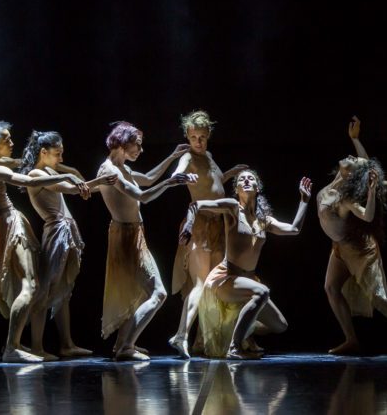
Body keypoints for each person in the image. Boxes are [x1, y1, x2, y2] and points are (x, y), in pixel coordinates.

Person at [0, 121, 85, 363]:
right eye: (7, 140)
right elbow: (28, 180)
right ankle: (12, 347)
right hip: (9, 224)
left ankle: (21, 345)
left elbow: (25, 162)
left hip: (8, 222)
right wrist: (67, 176)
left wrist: (69, 169)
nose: (12, 143)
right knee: (31, 285)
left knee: (32, 284)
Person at [318, 117, 387, 355]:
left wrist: (369, 192)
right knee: (331, 288)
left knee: (381, 298)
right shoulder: (333, 186)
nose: (350, 157)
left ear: (352, 174)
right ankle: (351, 339)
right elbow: (365, 164)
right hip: (339, 247)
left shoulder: (345, 198)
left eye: (353, 160)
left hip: (359, 249)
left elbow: (367, 217)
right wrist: (355, 139)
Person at [182, 171, 311, 359]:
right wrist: (189, 224)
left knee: (280, 325)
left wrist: (304, 201)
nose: (246, 180)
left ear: (257, 188)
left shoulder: (264, 220)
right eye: (242, 179)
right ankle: (234, 348)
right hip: (226, 279)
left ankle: (241, 328)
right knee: (263, 292)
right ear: (237, 189)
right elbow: (197, 205)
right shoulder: (233, 208)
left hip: (248, 281)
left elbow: (294, 229)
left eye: (251, 178)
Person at [97, 121, 197, 360]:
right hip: (126, 237)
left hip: (133, 234)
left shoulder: (123, 168)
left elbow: (149, 178)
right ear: (123, 142)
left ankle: (123, 343)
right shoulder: (109, 171)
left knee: (138, 292)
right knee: (158, 293)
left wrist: (172, 157)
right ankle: (125, 347)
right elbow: (143, 196)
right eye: (137, 146)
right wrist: (172, 182)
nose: (140, 151)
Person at [20, 130, 118, 359]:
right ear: (43, 153)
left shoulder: (50, 170)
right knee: (45, 289)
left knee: (64, 290)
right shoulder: (36, 173)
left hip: (65, 231)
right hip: (55, 233)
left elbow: (79, 183)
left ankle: (67, 344)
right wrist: (99, 181)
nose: (61, 159)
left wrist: (100, 184)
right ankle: (36, 347)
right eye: (57, 154)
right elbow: (73, 188)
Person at [169, 110, 247, 358]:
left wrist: (231, 174)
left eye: (202, 137)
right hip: (200, 225)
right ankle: (181, 335)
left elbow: (213, 183)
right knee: (201, 284)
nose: (198, 142)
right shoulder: (188, 157)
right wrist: (180, 176)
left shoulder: (209, 156)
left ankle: (201, 340)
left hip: (219, 226)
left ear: (208, 135)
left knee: (214, 285)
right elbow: (177, 173)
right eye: (194, 137)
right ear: (187, 137)